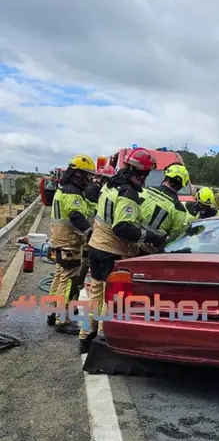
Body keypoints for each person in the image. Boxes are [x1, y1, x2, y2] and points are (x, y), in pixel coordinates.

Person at [78, 148, 165, 354]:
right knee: (109, 298)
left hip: (95, 247)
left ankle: (85, 338)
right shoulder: (129, 194)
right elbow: (122, 227)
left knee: (96, 295)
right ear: (143, 174)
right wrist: (149, 237)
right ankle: (102, 341)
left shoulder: (111, 184)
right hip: (112, 252)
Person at [47, 154, 96, 333]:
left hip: (60, 241)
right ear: (78, 174)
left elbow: (81, 210)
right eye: (86, 175)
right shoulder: (72, 193)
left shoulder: (64, 189)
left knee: (59, 276)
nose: (88, 179)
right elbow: (76, 215)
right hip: (70, 243)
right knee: (69, 281)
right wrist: (89, 231)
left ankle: (53, 312)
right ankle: (63, 319)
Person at [139, 163, 192, 252]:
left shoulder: (144, 191)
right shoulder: (178, 209)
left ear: (166, 176)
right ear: (182, 185)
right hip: (149, 253)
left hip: (128, 244)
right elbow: (174, 240)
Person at [79, 165, 116, 289]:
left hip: (91, 226)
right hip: (90, 226)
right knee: (85, 257)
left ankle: (82, 281)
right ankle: (80, 282)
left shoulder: (97, 189)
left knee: (88, 257)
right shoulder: (95, 190)